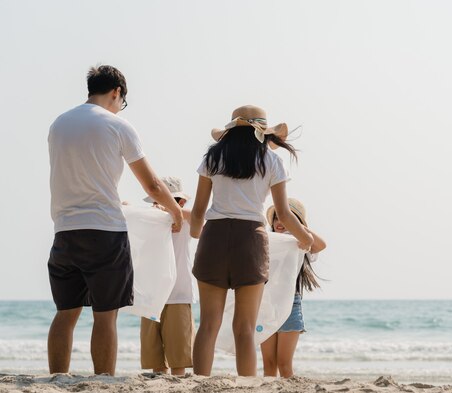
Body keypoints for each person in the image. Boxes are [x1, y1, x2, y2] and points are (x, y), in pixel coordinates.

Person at [47, 65, 183, 376]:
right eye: (122, 101)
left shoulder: (59, 124)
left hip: (65, 230)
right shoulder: (118, 126)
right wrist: (174, 212)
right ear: (116, 93)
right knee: (105, 316)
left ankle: (57, 377)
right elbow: (151, 185)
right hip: (104, 231)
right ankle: (104, 379)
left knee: (65, 314)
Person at [190, 105, 314, 376]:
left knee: (208, 323)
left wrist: (196, 235)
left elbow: (199, 210)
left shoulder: (213, 158)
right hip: (251, 240)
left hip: (214, 236)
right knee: (245, 327)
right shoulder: (270, 160)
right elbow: (283, 213)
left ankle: (199, 382)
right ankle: (247, 385)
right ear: (261, 132)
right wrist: (305, 238)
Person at [261, 199, 326, 377]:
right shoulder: (266, 240)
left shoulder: (301, 243)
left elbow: (321, 245)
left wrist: (299, 228)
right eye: (277, 218)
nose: (280, 222)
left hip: (291, 304)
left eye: (285, 218)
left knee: (284, 363)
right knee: (268, 363)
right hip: (265, 305)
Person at [140, 177, 196, 376]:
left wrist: (174, 212)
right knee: (155, 359)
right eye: (157, 201)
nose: (158, 206)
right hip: (151, 298)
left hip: (178, 295)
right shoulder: (149, 223)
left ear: (180, 203)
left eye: (165, 200)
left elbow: (203, 219)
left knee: (178, 359)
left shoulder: (186, 223)